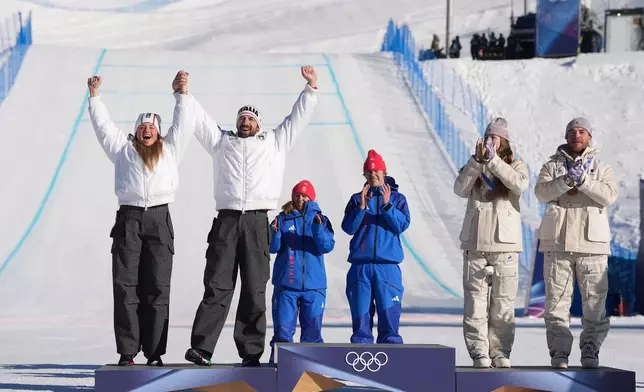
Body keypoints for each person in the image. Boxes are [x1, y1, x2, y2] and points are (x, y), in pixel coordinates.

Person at [183, 66, 319, 367]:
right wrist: (184, 94)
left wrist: (310, 89)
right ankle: (202, 349)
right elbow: (200, 120)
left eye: (251, 119)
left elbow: (296, 119)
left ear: (258, 124)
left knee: (255, 287)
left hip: (258, 221)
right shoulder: (222, 142)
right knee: (217, 285)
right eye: (242, 118)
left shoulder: (273, 142)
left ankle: (251, 353)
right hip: (227, 220)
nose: (246, 122)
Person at [86, 70, 194, 366]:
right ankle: (127, 351)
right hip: (128, 220)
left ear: (159, 132)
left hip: (159, 220)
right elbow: (104, 128)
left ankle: (155, 353)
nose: (147, 130)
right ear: (136, 131)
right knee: (125, 287)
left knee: (157, 288)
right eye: (142, 126)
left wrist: (180, 95)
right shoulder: (123, 150)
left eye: (152, 126)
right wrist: (95, 99)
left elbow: (184, 125)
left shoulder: (170, 150)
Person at [535, 117, 618, 369]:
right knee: (556, 303)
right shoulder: (551, 166)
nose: (576, 135)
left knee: (594, 303)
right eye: (572, 132)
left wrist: (584, 181)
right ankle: (559, 351)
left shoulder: (602, 168)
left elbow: (609, 196)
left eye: (582, 131)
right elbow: (542, 193)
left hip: (591, 245)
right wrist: (567, 180)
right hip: (558, 244)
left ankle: (590, 349)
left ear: (590, 137)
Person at [453, 117, 529, 368]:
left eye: (494, 138)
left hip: (504, 245)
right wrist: (477, 162)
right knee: (475, 303)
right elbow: (460, 189)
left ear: (503, 140)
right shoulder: (474, 164)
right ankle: (479, 352)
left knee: (502, 304)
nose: (489, 142)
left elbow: (519, 185)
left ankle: (500, 352)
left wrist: (494, 161)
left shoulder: (515, 164)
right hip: (475, 243)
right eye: (487, 137)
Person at [341, 149, 411, 344]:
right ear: (364, 175)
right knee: (361, 315)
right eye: (369, 172)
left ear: (384, 173)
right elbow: (348, 228)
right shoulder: (357, 198)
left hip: (387, 266)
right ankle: (361, 357)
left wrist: (388, 206)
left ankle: (392, 356)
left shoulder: (398, 199)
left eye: (376, 171)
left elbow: (401, 225)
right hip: (360, 266)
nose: (373, 175)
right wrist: (362, 207)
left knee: (389, 316)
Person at [267, 180, 335, 363]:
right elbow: (272, 248)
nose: (300, 199)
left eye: (304, 196)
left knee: (312, 333)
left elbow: (327, 246)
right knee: (282, 332)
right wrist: (275, 234)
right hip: (286, 286)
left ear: (311, 198)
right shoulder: (282, 219)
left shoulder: (320, 219)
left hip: (314, 287)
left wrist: (318, 229)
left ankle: (313, 373)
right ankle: (278, 371)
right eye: (297, 195)